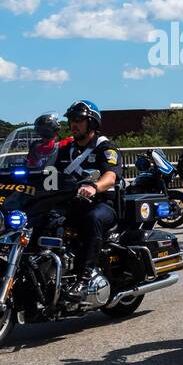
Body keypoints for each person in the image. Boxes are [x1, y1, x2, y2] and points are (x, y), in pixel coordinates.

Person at [50, 100, 120, 296]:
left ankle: (84, 278)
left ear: (92, 123)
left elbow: (111, 176)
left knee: (92, 219)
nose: (74, 124)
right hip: (72, 204)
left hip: (102, 204)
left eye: (79, 120)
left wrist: (94, 187)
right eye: (72, 120)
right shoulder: (64, 150)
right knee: (44, 218)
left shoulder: (105, 148)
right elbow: (48, 176)